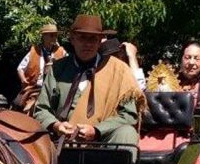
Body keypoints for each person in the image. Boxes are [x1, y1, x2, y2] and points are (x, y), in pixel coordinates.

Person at [34, 14, 140, 155]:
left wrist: (97, 131)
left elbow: (129, 114)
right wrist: (56, 125)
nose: (88, 44)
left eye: (93, 39)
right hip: (62, 141)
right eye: (82, 37)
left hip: (105, 139)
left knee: (127, 132)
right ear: (72, 39)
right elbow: (41, 109)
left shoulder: (119, 70)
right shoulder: (57, 69)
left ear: (99, 42)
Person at [15, 23, 68, 111]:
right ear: (44, 36)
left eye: (55, 35)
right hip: (36, 88)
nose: (54, 37)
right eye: (51, 35)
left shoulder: (61, 51)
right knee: (21, 104)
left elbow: (70, 65)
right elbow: (20, 68)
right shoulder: (34, 51)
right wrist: (23, 79)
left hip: (56, 90)